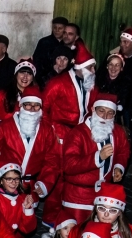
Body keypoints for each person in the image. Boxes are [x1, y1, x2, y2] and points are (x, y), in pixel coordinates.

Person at [0, 87, 61, 210]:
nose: (32, 109)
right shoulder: (5, 126)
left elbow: (52, 161)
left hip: (30, 187)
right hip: (5, 183)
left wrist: (44, 184)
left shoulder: (47, 130)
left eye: (36, 105)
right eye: (28, 105)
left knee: (25, 222)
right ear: (21, 106)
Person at [42, 42, 98, 226]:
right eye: (90, 67)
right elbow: (44, 108)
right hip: (61, 133)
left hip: (82, 134)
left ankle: (69, 213)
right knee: (58, 174)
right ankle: (50, 216)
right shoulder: (58, 83)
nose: (93, 70)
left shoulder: (91, 85)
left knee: (75, 172)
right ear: (81, 67)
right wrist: (51, 131)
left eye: (93, 67)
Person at [62, 93, 130, 223]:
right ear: (93, 109)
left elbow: (123, 150)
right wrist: (97, 158)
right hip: (78, 197)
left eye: (110, 113)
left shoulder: (117, 131)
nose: (105, 117)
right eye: (101, 111)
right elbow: (69, 165)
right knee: (76, 237)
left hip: (103, 197)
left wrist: (118, 167)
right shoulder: (78, 133)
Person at [0, 59, 36, 133]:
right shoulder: (1, 96)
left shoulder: (36, 98)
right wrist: (5, 128)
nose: (25, 77)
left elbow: (44, 119)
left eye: (29, 73)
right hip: (4, 139)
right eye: (22, 72)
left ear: (32, 78)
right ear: (16, 75)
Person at [95, 54, 131, 124]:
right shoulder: (98, 80)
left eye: (117, 65)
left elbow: (125, 100)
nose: (113, 68)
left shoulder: (126, 84)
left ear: (121, 68)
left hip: (116, 118)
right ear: (107, 66)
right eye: (111, 64)